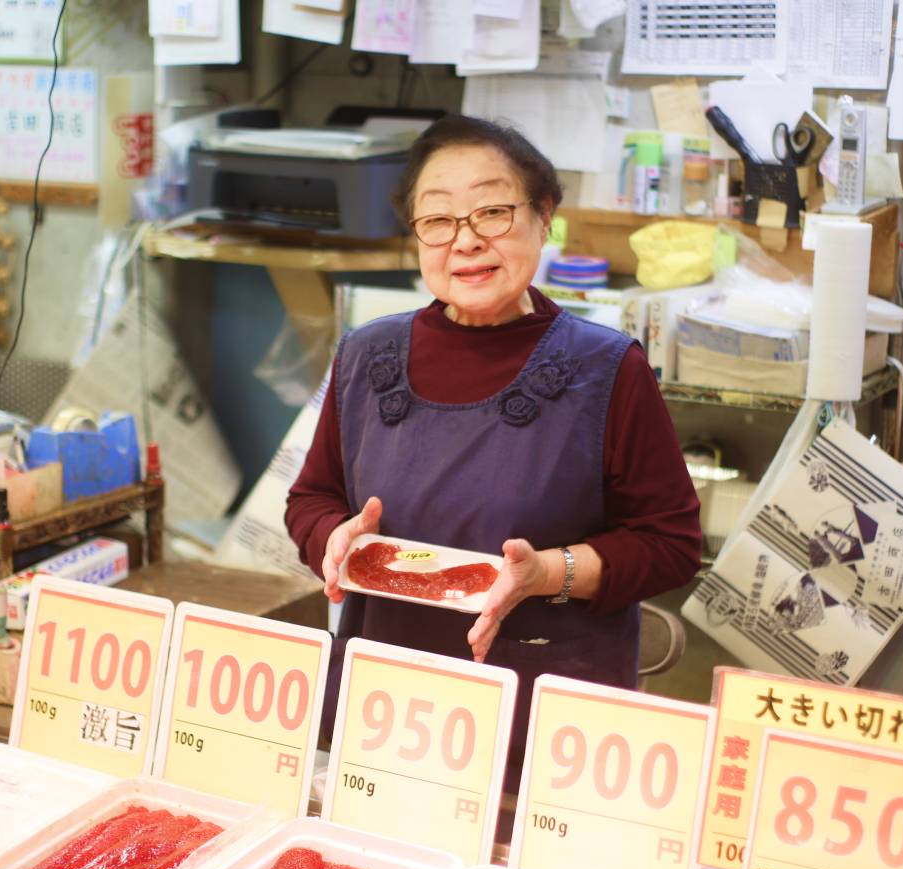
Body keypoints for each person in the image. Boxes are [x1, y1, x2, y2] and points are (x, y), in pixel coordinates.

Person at [285, 114, 702, 758]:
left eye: (492, 212)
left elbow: (669, 545)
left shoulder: (607, 368)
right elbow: (311, 499)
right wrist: (330, 538)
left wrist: (547, 573)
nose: (466, 241)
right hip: (385, 702)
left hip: (545, 709)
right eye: (438, 220)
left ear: (544, 216)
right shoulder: (367, 355)